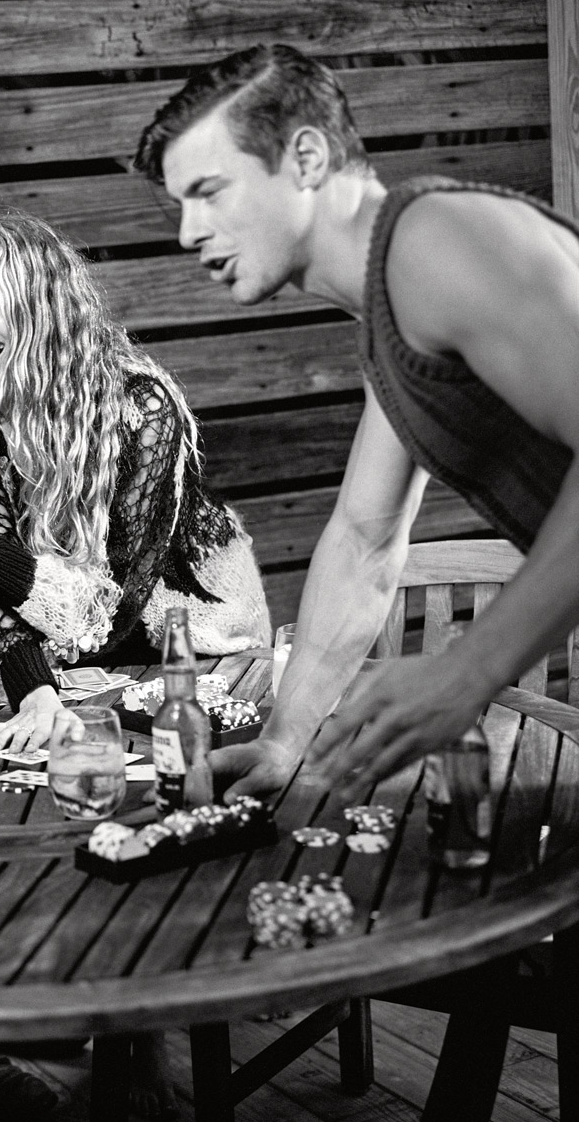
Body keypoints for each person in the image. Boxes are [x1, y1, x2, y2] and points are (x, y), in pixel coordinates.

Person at [132, 43, 579, 797]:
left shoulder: (433, 241)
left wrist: (467, 671)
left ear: (306, 159)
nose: (187, 232)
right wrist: (284, 740)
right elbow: (364, 542)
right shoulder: (391, 307)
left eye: (209, 192)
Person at [0, 214, 271, 753]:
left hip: (188, 648)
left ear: (43, 308)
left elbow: (110, 609)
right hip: (56, 649)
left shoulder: (141, 406)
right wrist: (34, 693)